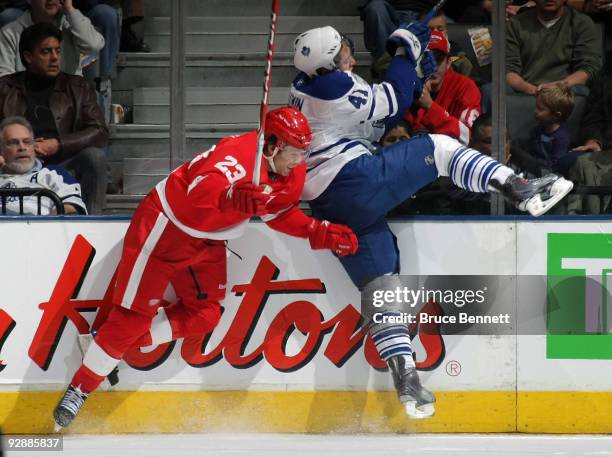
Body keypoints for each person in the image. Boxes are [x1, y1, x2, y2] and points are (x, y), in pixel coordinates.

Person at [289, 25, 573, 418]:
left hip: (330, 206)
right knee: (439, 149)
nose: (350, 58)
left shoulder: (307, 85)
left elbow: (374, 124)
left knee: (382, 285)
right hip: (352, 182)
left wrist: (412, 65)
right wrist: (406, 47)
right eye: (343, 54)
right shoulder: (334, 87)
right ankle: (520, 187)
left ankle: (405, 376)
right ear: (329, 63)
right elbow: (394, 98)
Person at [52, 106, 359, 429]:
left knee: (206, 314)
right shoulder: (237, 156)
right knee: (132, 318)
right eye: (295, 153)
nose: (300, 162)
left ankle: (105, 343)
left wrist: (316, 230)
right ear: (271, 146)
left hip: (209, 240)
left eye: (303, 152)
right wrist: (230, 197)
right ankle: (80, 387)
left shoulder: (291, 172)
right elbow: (198, 191)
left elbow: (278, 213)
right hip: (165, 227)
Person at [0, 23, 108, 214]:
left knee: (95, 157)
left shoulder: (77, 87)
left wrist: (57, 144)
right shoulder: (5, 88)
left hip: (64, 161)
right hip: (15, 160)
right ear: (28, 57)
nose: (55, 57)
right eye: (46, 52)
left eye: (58, 51)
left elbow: (99, 130)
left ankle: (92, 221)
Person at [506, 0, 601, 95]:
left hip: (566, 90)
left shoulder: (581, 23)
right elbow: (508, 70)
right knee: (493, 90)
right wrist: (533, 90)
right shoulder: (516, 24)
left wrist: (559, 86)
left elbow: (589, 68)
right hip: (525, 89)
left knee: (585, 91)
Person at [406, 30, 481, 144]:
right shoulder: (406, 84)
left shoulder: (466, 87)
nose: (433, 67)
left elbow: (467, 136)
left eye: (438, 60)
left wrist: (430, 106)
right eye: (426, 60)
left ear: (448, 62)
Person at [0, 115, 85, 214]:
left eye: (27, 142)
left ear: (34, 146)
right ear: (1, 150)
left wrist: (46, 225)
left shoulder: (53, 173)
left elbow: (72, 206)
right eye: (13, 143)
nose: (22, 147)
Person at [0, 0, 104, 77]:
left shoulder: (71, 26)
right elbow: (4, 80)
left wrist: (70, 10)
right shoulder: (9, 33)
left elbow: (93, 45)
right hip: (25, 99)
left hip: (68, 98)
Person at [530, 83, 577, 175]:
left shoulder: (562, 137)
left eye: (540, 109)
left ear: (556, 115)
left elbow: (557, 163)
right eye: (536, 107)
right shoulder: (539, 128)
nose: (535, 111)